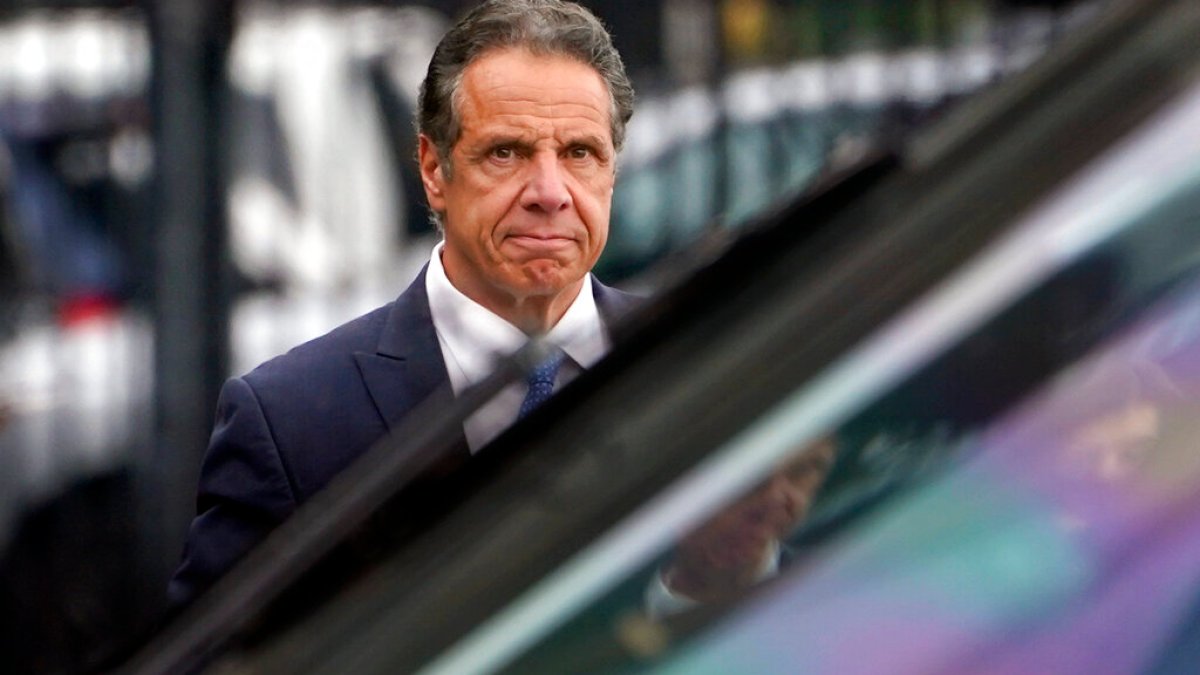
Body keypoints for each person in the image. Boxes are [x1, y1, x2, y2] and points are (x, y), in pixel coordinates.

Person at [169, 0, 638, 607]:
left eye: (579, 153)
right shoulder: (289, 423)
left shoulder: (702, 351)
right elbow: (221, 645)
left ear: (611, 169)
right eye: (506, 153)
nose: (550, 193)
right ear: (433, 169)